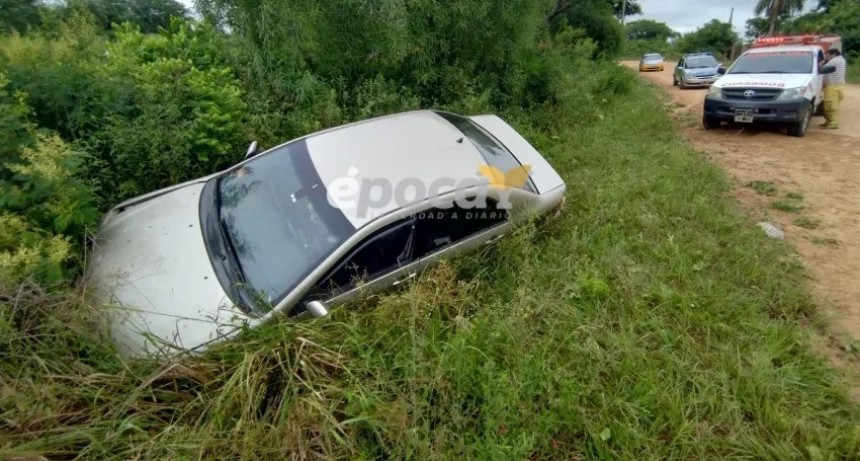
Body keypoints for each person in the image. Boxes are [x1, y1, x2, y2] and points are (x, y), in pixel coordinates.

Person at [819, 48, 846, 129]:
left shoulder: (835, 61)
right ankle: (829, 121)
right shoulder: (840, 60)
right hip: (835, 86)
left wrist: (822, 63)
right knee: (829, 104)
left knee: (831, 105)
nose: (827, 57)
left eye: (827, 55)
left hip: (833, 86)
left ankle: (833, 123)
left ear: (833, 54)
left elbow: (821, 69)